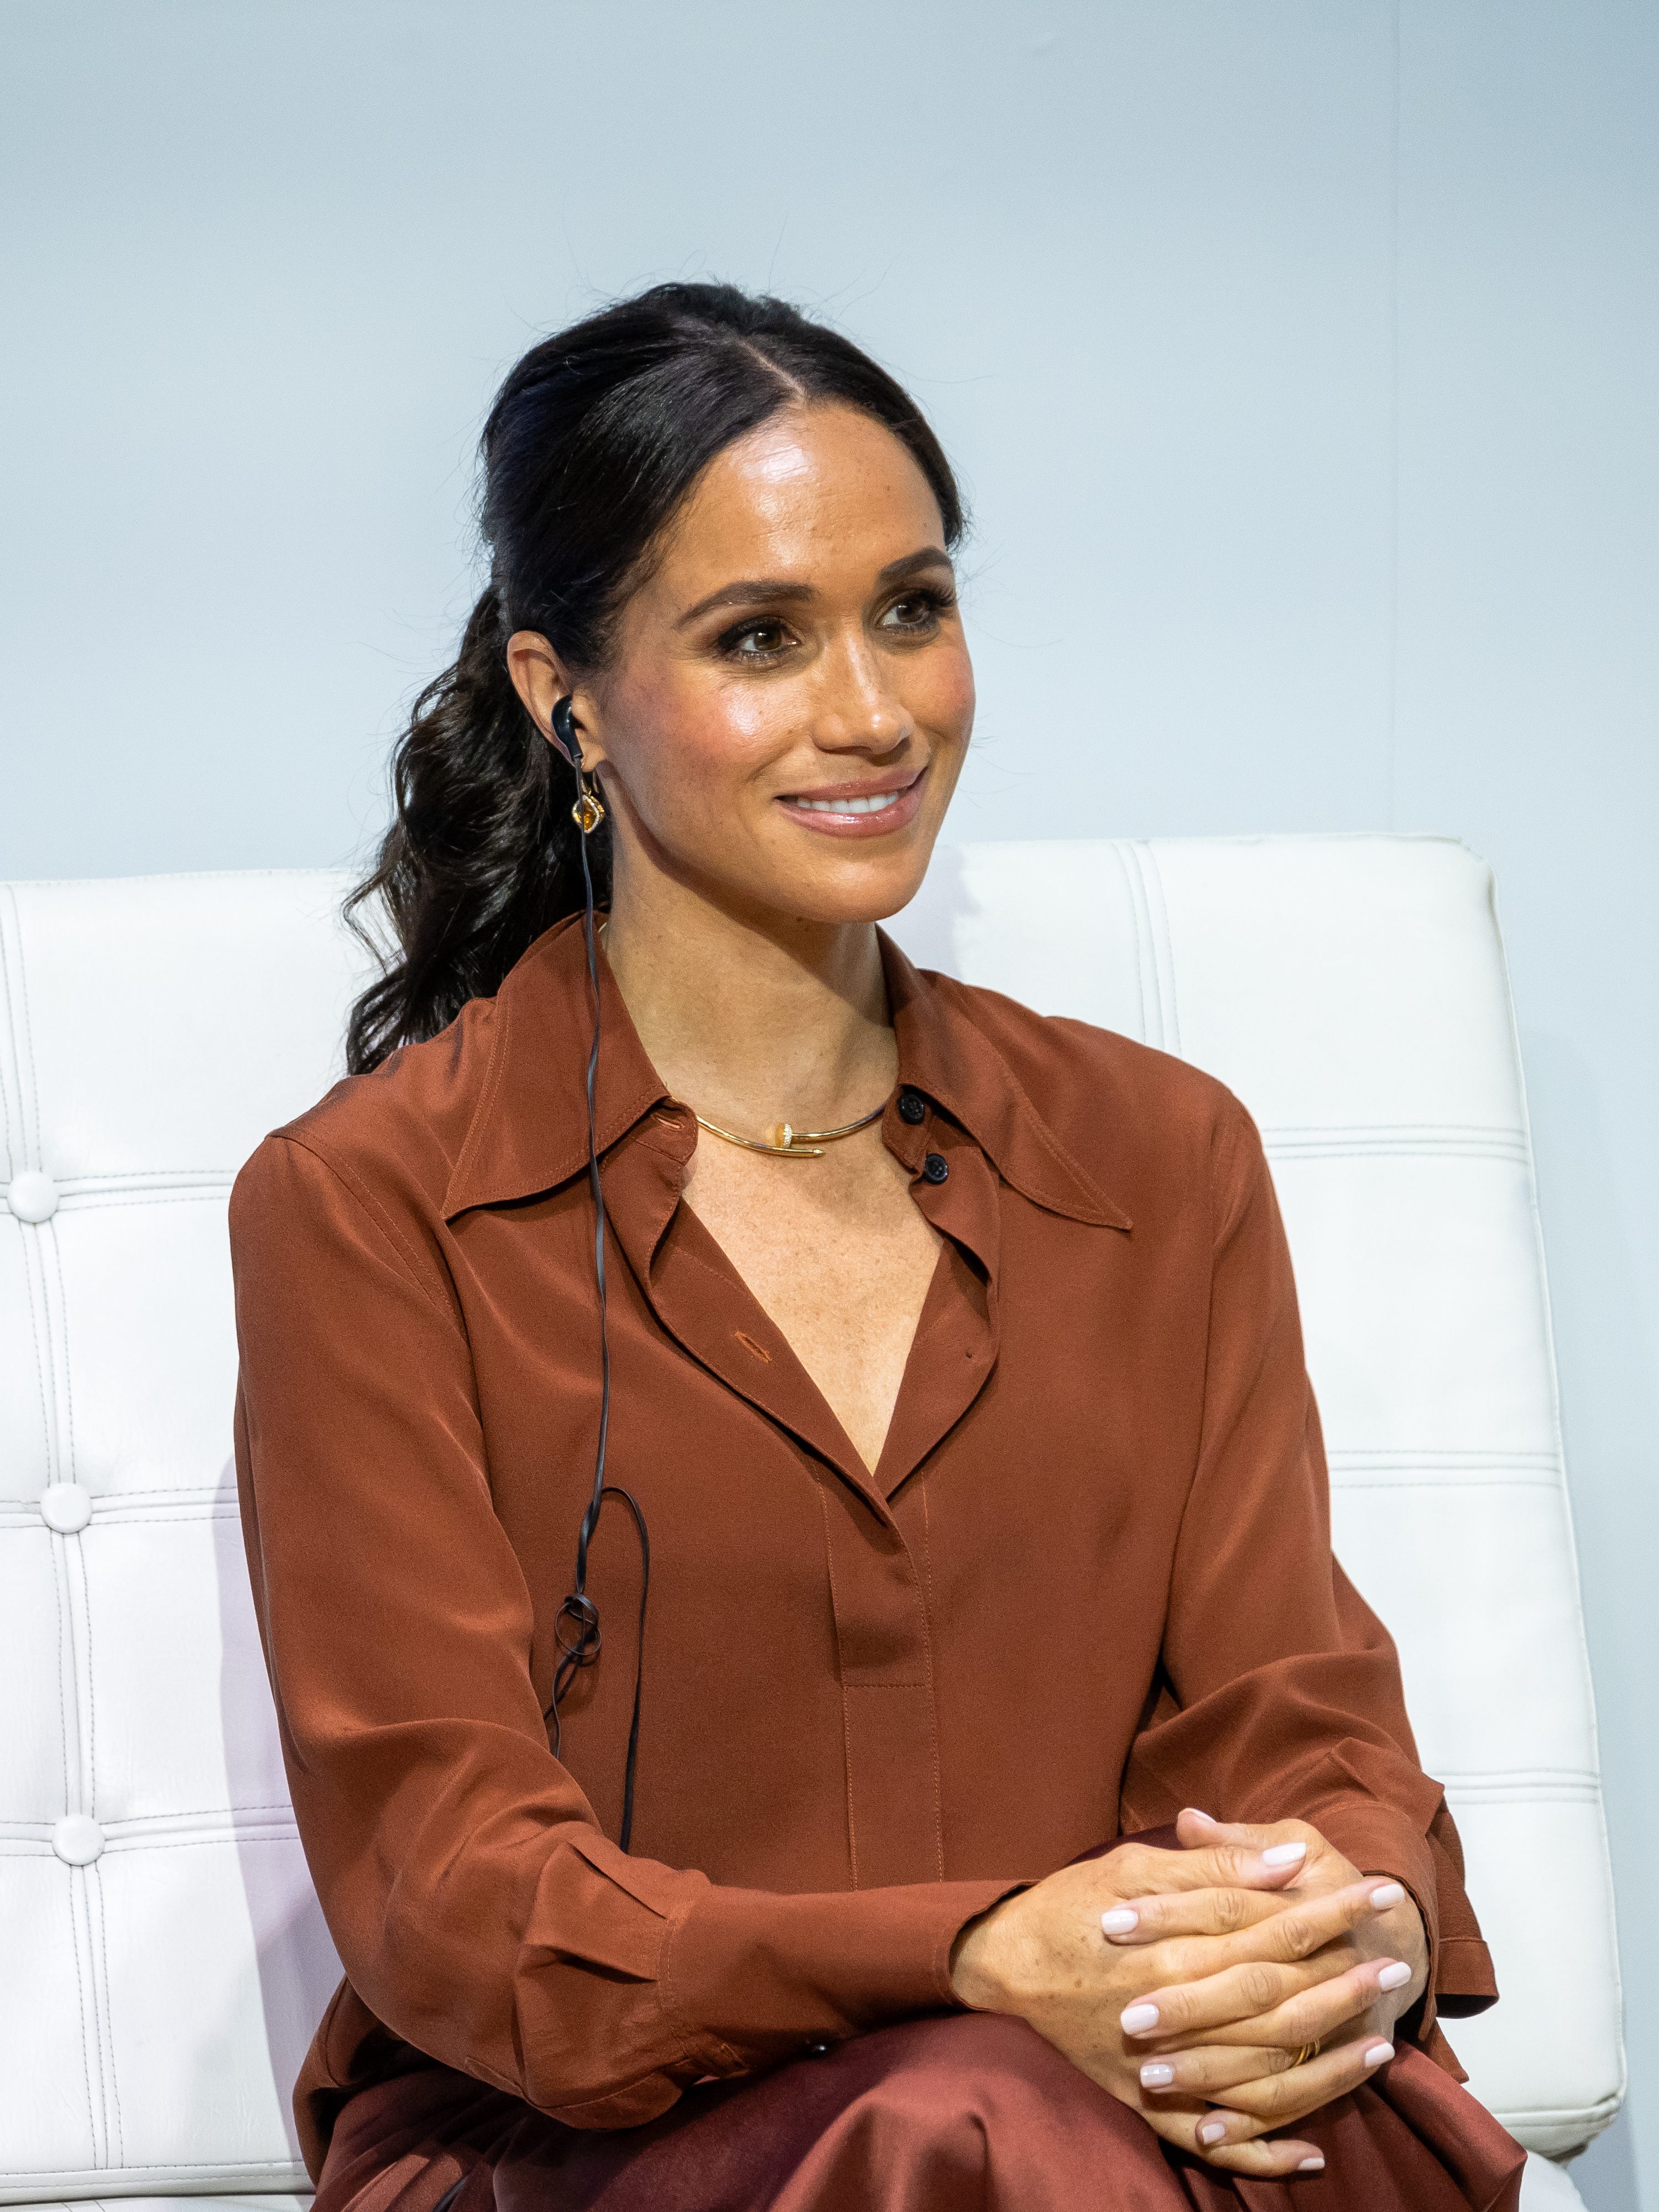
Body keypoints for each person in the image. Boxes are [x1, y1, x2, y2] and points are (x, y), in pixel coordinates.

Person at [229, 282, 1525, 2210]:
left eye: (913, 608)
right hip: (599, 2149)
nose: (875, 710)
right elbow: (460, 1891)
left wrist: (1351, 1926)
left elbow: (1299, 1719)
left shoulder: (1162, 1161)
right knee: (967, 2124)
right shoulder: (371, 1209)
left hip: (1128, 2106)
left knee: (1254, 2117)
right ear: (557, 693)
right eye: (761, 637)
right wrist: (974, 1959)